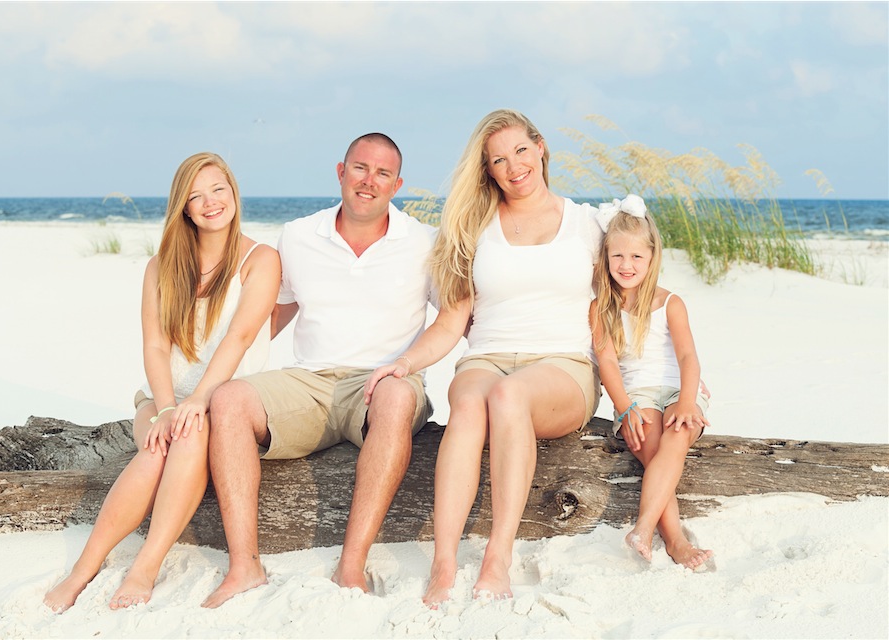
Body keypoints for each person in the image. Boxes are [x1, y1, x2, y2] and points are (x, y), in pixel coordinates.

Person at [364, 109, 604, 605]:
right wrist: (404, 364)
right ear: (488, 171)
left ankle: (497, 557)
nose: (514, 166)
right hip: (488, 357)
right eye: (499, 160)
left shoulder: (588, 223)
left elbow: (631, 298)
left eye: (520, 150)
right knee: (472, 402)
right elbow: (452, 321)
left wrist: (674, 374)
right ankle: (445, 562)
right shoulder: (475, 229)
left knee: (509, 394)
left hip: (563, 367)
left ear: (540, 147)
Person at [201, 133, 437, 609]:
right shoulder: (299, 235)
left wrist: (407, 365)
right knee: (229, 399)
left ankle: (351, 564)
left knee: (394, 396)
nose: (368, 181)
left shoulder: (424, 243)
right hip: (308, 381)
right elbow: (273, 314)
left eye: (382, 173)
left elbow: (454, 319)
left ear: (398, 184)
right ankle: (245, 566)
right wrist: (202, 373)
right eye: (359, 168)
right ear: (340, 171)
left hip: (384, 381)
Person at [43, 152, 281, 612]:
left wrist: (198, 400)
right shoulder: (160, 267)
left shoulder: (261, 259)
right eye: (195, 196)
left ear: (233, 192)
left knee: (188, 438)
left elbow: (240, 337)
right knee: (157, 449)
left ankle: (145, 566)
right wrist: (169, 406)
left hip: (225, 398)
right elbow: (155, 347)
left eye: (218, 189)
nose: (210, 202)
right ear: (184, 209)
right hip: (163, 396)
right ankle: (82, 570)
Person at [588, 194, 713, 569]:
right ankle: (675, 540)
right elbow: (607, 362)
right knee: (652, 444)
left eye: (637, 257)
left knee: (676, 437)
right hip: (636, 395)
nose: (627, 265)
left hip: (680, 389)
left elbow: (689, 357)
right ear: (606, 258)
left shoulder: (670, 302)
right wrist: (624, 407)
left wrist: (688, 401)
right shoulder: (601, 309)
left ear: (652, 258)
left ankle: (644, 527)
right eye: (618, 256)